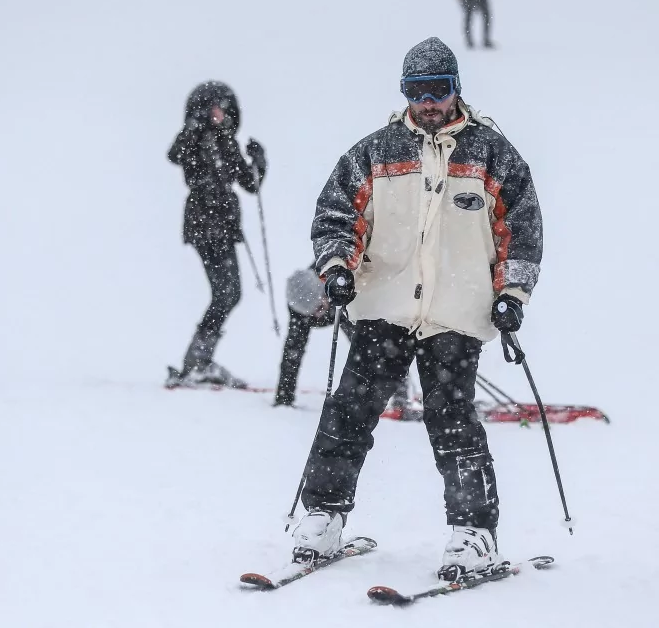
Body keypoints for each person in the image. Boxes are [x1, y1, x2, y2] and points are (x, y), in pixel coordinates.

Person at [287, 37, 542, 581]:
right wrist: (337, 268)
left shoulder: (491, 153)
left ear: (456, 90)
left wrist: (511, 295)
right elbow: (336, 216)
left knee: (454, 423)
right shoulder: (374, 152)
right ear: (404, 93)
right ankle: (322, 518)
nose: (429, 102)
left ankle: (473, 534)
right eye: (417, 91)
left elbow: (520, 229)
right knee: (348, 414)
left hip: (457, 312)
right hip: (383, 307)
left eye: (439, 90)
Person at [165, 81, 267, 388]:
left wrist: (259, 162)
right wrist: (194, 127)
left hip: (221, 224)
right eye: (216, 108)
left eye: (223, 109)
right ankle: (197, 362)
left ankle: (198, 360)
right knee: (227, 293)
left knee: (229, 293)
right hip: (204, 222)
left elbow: (249, 184)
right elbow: (175, 154)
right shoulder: (195, 137)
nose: (221, 114)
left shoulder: (227, 142)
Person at [274, 267, 411, 409]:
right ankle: (285, 395)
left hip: (343, 306)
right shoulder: (299, 307)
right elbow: (291, 354)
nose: (317, 316)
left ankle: (399, 395)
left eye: (319, 308)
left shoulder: (340, 283)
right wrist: (283, 399)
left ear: (323, 291)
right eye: (311, 313)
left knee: (371, 348)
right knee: (293, 351)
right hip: (320, 307)